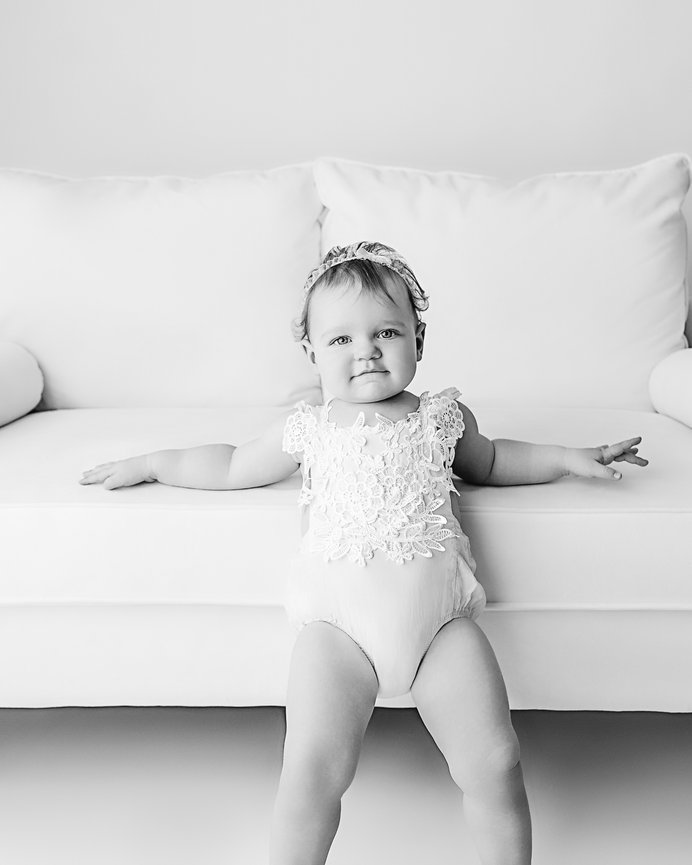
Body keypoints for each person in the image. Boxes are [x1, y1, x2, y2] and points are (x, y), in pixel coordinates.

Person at [80, 240, 648, 865]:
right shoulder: (311, 426)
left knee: (496, 759)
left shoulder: (443, 417)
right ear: (312, 354)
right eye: (341, 340)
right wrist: (153, 463)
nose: (367, 351)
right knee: (311, 769)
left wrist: (567, 458)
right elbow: (232, 463)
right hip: (338, 629)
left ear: (418, 341)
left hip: (440, 626)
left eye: (386, 331)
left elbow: (495, 458)